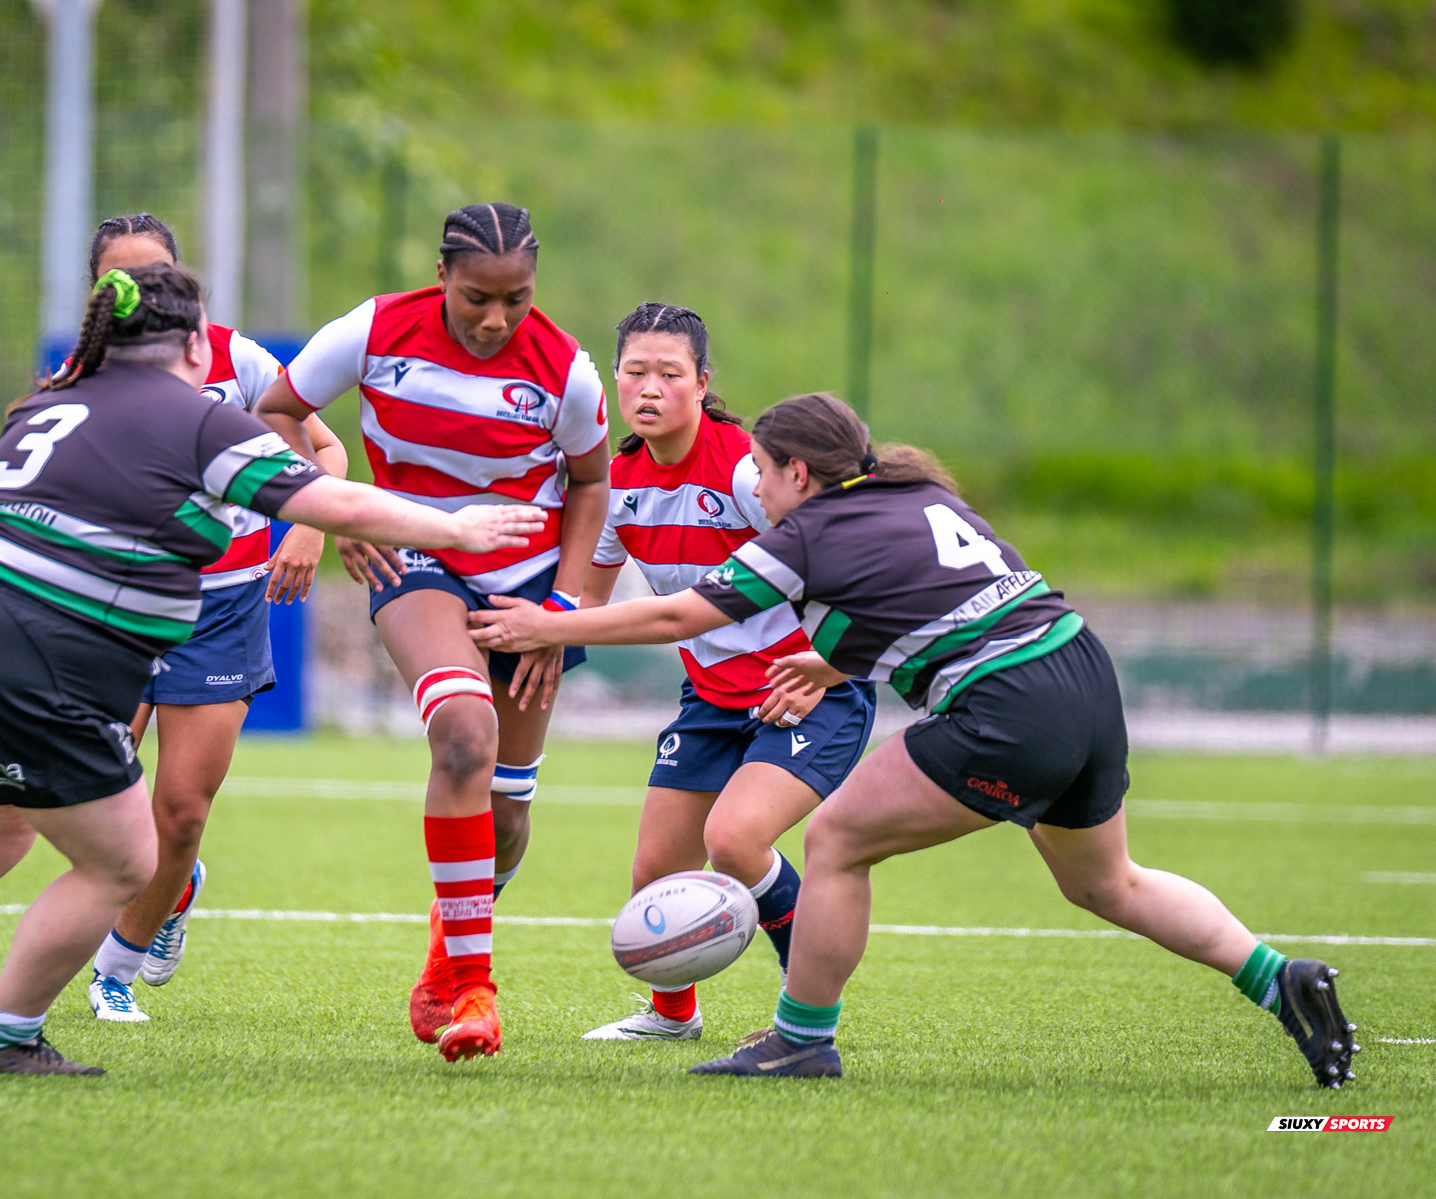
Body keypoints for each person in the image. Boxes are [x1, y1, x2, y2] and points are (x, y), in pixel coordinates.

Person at [0, 263, 544, 1075]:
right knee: (125, 860)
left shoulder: (54, 401)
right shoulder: (197, 418)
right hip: (32, 650)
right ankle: (4, 1035)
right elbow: (331, 502)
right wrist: (460, 529)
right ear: (197, 345)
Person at [469, 392, 1357, 1087]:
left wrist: (547, 628)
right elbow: (909, 593)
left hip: (1005, 704)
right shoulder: (914, 489)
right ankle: (1278, 977)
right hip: (1082, 670)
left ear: (796, 474)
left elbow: (676, 612)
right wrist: (825, 664)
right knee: (1106, 881)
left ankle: (800, 1041)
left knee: (835, 840)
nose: (758, 488)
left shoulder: (807, 531)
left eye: (763, 473)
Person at [255, 202, 610, 1060]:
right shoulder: (376, 329)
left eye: (516, 299)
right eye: (477, 297)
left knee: (508, 811)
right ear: (442, 275)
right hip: (416, 560)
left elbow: (594, 485)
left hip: (528, 583)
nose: (496, 318)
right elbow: (275, 409)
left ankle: (442, 958)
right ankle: (476, 991)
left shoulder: (565, 369)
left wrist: (561, 614)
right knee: (461, 732)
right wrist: (336, 513)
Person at [75, 214, 349, 1025]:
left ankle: (114, 970)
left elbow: (325, 455)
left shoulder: (238, 361)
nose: (143, 297)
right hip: (116, 607)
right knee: (99, 797)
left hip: (221, 607)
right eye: (121, 282)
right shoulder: (81, 376)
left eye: (158, 277)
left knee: (182, 810)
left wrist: (307, 525)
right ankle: (172, 884)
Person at [577, 304, 874, 1041]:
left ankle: (806, 1020)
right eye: (634, 372)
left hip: (804, 691)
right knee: (655, 869)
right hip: (710, 696)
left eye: (669, 374)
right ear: (614, 380)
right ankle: (672, 1015)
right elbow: (587, 596)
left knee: (736, 843)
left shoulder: (749, 469)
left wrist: (830, 667)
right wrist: (543, 645)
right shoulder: (616, 483)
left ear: (703, 384)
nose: (649, 388)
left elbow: (841, 569)